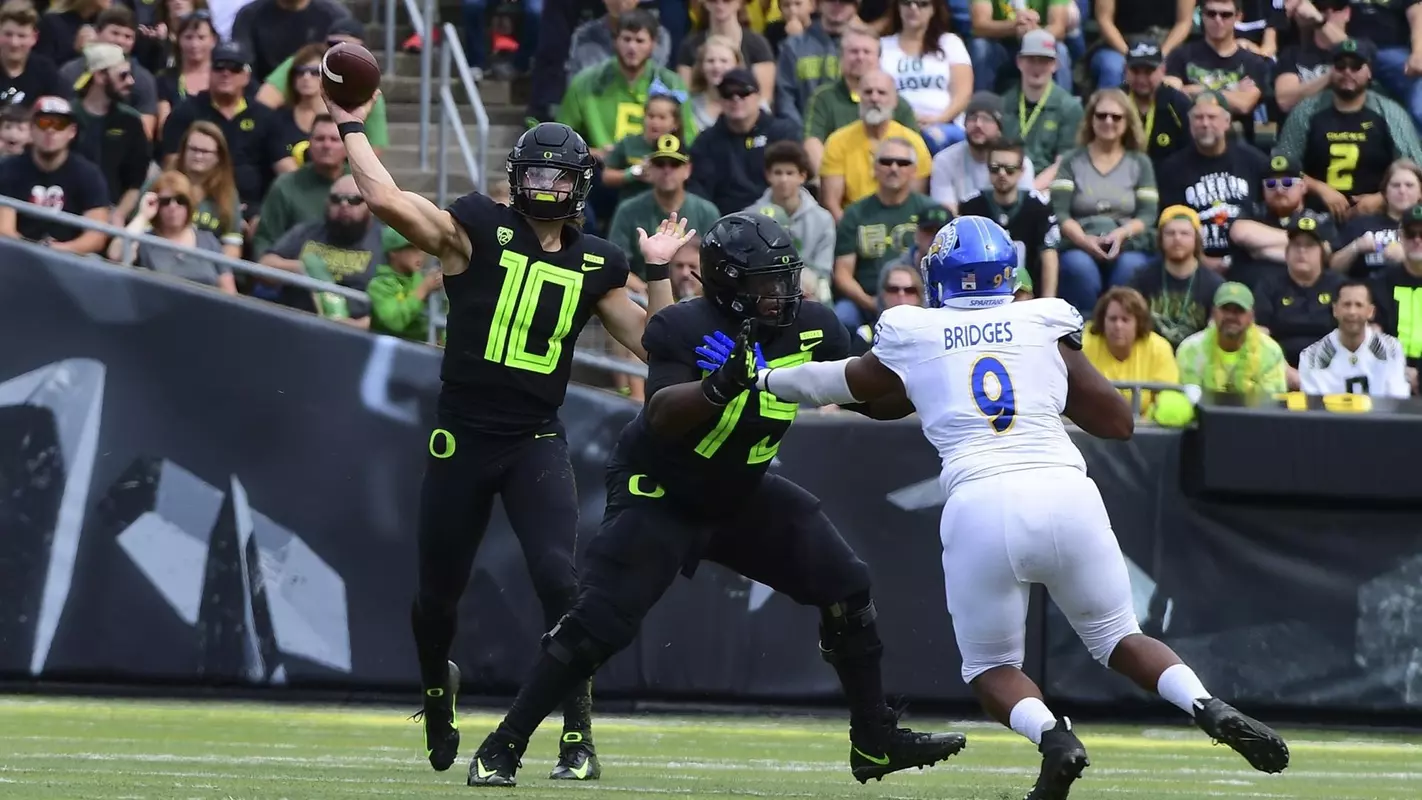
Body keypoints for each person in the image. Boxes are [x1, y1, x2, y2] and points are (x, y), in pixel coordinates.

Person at [744, 215, 1291, 800]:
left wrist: (764, 379)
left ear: (944, 277)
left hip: (981, 500)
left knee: (991, 669)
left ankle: (1055, 737)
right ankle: (1204, 702)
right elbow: (1118, 421)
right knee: (1118, 637)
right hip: (1066, 489)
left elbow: (846, 384)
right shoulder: (1042, 320)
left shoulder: (914, 330)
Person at [463, 211, 968, 787]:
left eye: (786, 279)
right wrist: (720, 385)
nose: (780, 295)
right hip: (663, 489)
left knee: (847, 585)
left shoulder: (815, 326)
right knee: (597, 624)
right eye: (764, 283)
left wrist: (924, 378)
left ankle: (873, 738)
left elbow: (875, 403)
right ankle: (503, 743)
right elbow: (659, 415)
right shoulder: (682, 325)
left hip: (740, 491)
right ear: (726, 282)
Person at [328, 81, 688, 780]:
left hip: (534, 438)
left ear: (580, 185)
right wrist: (349, 124)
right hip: (461, 436)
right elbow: (386, 201)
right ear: (517, 180)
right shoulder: (476, 229)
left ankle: (577, 735)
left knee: (562, 583)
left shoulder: (598, 263)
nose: (548, 186)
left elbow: (659, 347)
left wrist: (657, 270)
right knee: (437, 598)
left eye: (561, 174)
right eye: (537, 173)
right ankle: (438, 687)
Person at [1298, 282, 1410, 397]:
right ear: (1335, 310)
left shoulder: (1390, 348)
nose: (1352, 312)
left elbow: (1397, 400)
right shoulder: (1312, 356)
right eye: (1347, 305)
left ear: (1371, 311)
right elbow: (1313, 409)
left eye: (1359, 305)